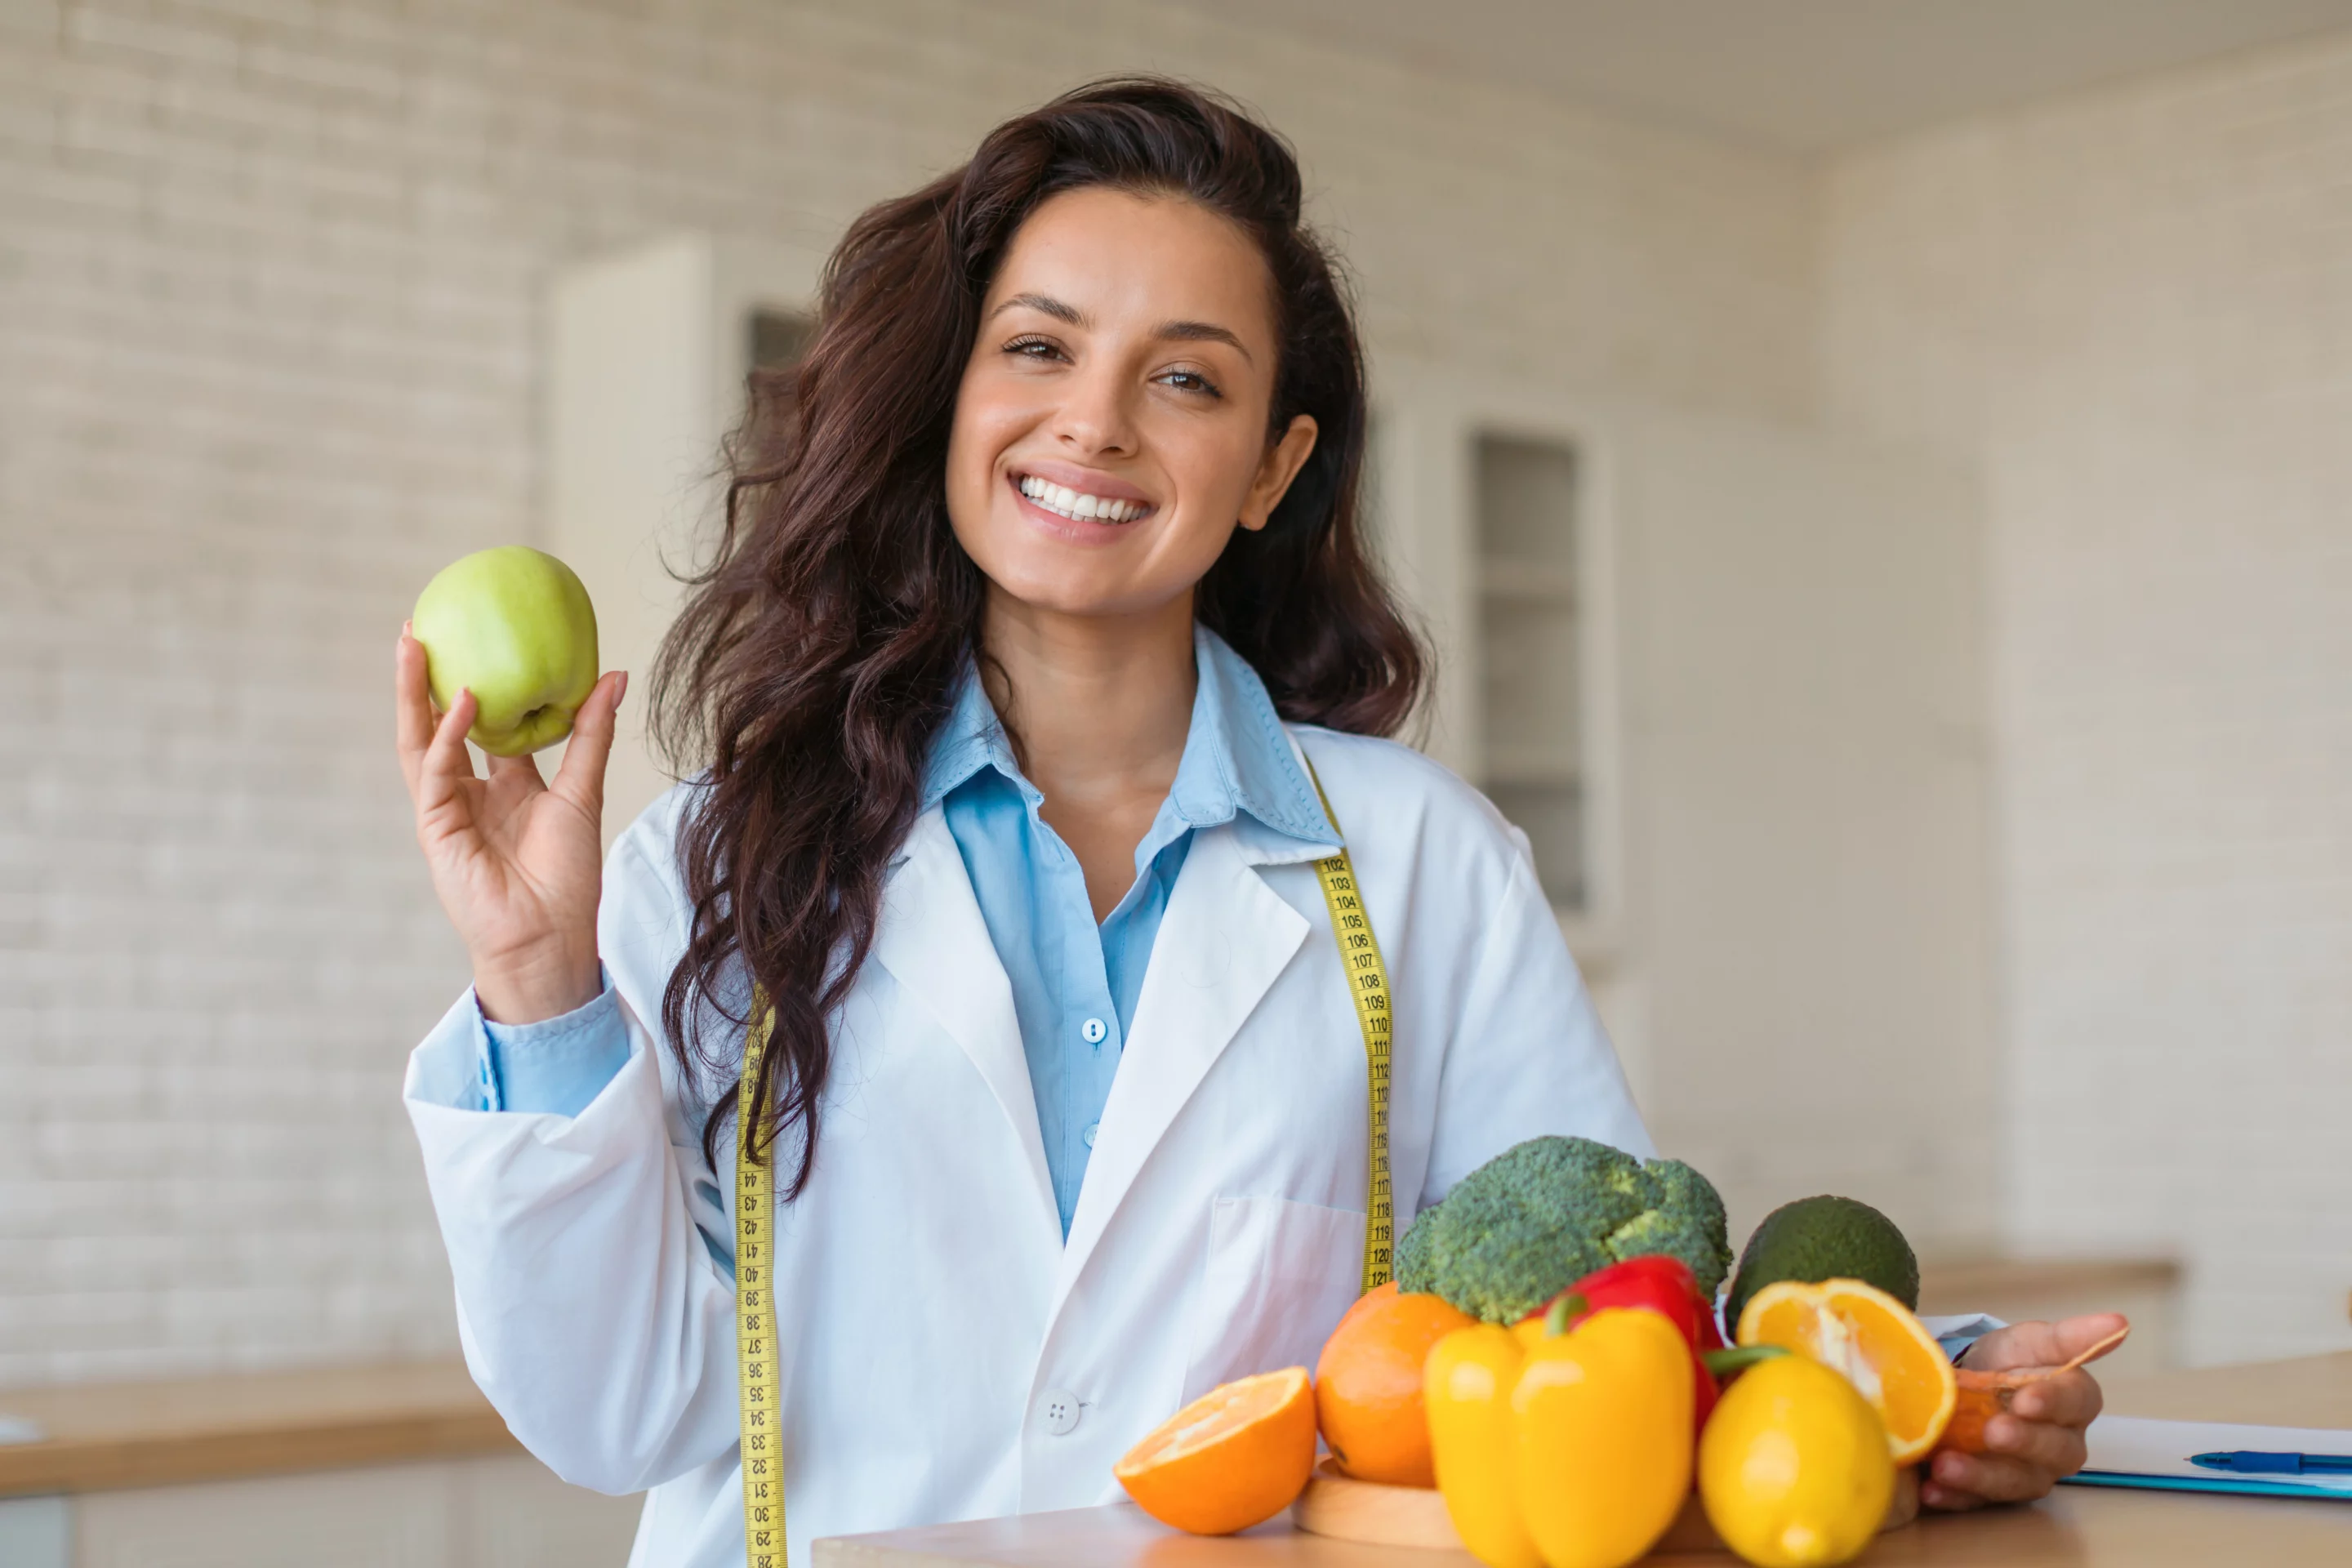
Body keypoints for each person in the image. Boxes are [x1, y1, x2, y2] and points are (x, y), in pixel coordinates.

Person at [394, 78, 2114, 1567]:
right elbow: (611, 1418)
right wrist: (540, 988)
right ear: (954, 401)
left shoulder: (1424, 866)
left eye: (1189, 381)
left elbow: (1601, 1321)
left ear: (1276, 469)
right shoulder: (720, 857)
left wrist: (1910, 1393)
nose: (1096, 422)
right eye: (1040, 347)